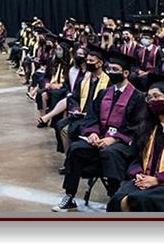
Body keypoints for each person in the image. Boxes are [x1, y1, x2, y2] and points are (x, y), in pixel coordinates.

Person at [53, 49, 146, 211]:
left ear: (125, 73)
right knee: (76, 149)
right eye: (110, 69)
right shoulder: (104, 94)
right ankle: (70, 196)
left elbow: (138, 126)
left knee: (111, 152)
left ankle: (115, 200)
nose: (111, 73)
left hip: (123, 144)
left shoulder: (137, 97)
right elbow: (92, 117)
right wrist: (93, 133)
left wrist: (115, 138)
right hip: (101, 139)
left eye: (115, 70)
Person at [107, 73, 164, 212]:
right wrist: (138, 174)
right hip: (143, 180)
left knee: (140, 199)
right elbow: (134, 157)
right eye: (149, 98)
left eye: (157, 96)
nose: (152, 101)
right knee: (119, 199)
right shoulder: (146, 128)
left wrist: (158, 180)